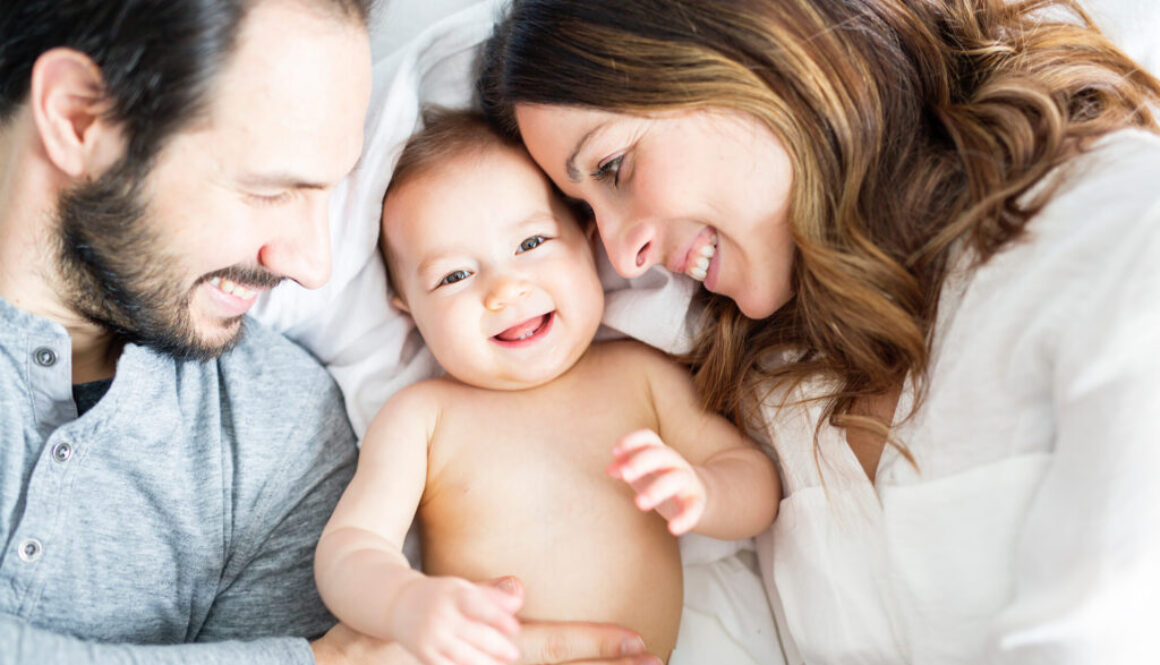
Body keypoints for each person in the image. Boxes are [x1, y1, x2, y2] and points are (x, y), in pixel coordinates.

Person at [478, 0, 1160, 663]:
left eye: (614, 168)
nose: (623, 257)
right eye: (584, 211)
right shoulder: (773, 398)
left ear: (754, 46)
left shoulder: (1114, 230)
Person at [0, 2, 662, 665]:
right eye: (270, 189)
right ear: (77, 117)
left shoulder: (282, 435)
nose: (314, 265)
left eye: (331, 194)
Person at [314, 110, 781, 665]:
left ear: (589, 243)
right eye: (454, 276)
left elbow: (756, 484)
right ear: (408, 310)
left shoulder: (640, 377)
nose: (505, 288)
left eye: (532, 242)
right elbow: (349, 549)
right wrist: (404, 602)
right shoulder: (422, 416)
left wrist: (704, 492)